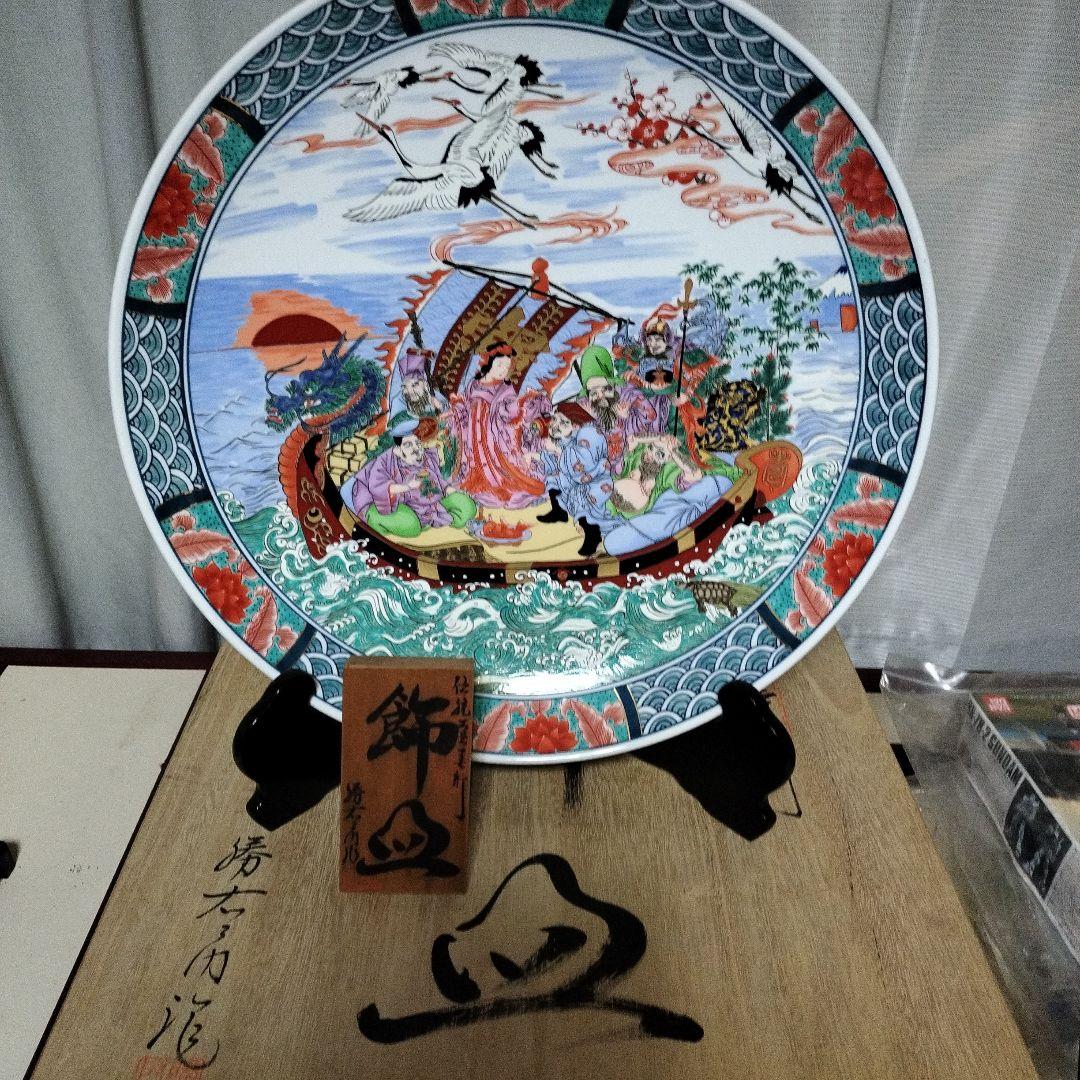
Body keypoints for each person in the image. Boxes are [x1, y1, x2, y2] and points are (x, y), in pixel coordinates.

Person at [451, 340, 546, 509]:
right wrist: (457, 407)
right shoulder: (473, 384)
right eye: (500, 365)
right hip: (473, 433)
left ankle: (494, 484)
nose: (503, 370)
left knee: (499, 473)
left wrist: (522, 403)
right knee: (475, 463)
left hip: (491, 438)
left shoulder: (505, 389)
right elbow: (466, 406)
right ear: (488, 362)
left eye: (507, 367)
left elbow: (508, 409)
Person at [347, 418, 476, 539]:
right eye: (408, 445)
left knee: (466, 506)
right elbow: (379, 487)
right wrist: (407, 486)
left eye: (416, 443)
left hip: (431, 506)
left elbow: (439, 480)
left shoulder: (426, 457)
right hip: (395, 506)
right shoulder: (385, 462)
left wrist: (450, 490)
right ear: (397, 450)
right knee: (411, 526)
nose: (415, 448)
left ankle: (427, 519)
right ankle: (381, 521)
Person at [550, 400, 613, 557]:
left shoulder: (588, 433)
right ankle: (562, 513)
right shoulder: (569, 441)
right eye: (554, 420)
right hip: (582, 481)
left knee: (582, 500)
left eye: (563, 422)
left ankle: (593, 536)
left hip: (598, 480)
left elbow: (585, 465)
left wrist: (562, 451)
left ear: (575, 424)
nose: (556, 425)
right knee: (556, 482)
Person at [577, 345, 654, 469]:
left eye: (605, 389)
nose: (601, 396)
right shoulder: (591, 412)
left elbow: (650, 416)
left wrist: (625, 415)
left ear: (613, 387)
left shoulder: (627, 398)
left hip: (640, 456)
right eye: (594, 393)